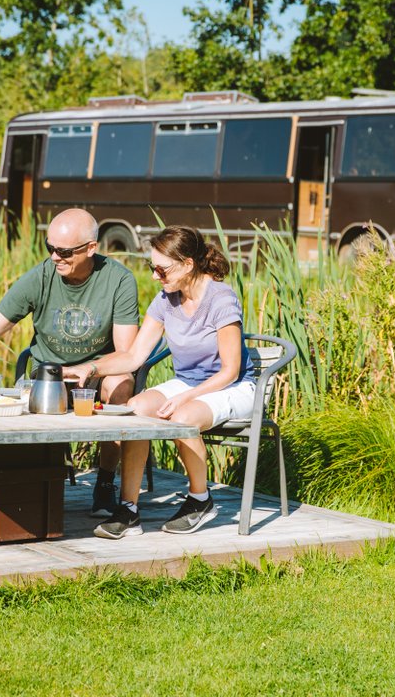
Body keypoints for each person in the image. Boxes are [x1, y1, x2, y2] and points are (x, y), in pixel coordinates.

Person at [0, 208, 139, 518]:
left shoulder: (118, 279)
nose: (55, 257)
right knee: (13, 394)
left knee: (122, 382)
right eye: (50, 248)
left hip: (98, 373)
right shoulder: (40, 277)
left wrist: (90, 369)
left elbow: (127, 352)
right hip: (48, 375)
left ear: (90, 248)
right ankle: (33, 482)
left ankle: (104, 482)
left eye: (64, 251)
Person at [63, 225, 255, 539]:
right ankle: (129, 510)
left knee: (181, 417)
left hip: (234, 386)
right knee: (135, 410)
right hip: (188, 382)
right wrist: (91, 368)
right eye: (152, 268)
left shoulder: (221, 298)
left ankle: (199, 499)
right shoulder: (166, 299)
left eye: (161, 269)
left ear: (188, 265)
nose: (155, 276)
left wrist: (185, 398)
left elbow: (230, 370)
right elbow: (134, 355)